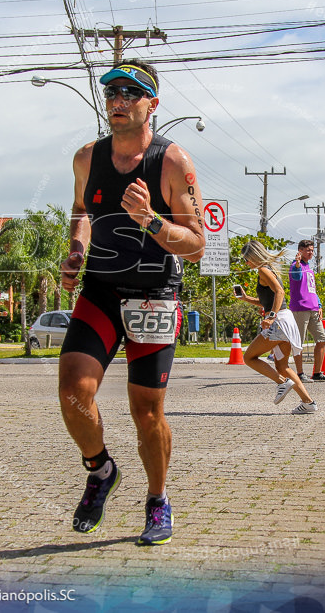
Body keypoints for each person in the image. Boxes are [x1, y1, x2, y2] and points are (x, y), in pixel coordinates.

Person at [57, 59, 206, 546]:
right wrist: (76, 250)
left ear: (152, 104)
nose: (117, 101)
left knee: (146, 410)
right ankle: (100, 471)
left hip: (154, 294)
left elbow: (197, 243)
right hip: (100, 288)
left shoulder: (172, 163)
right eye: (111, 93)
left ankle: (158, 500)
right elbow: (81, 210)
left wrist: (149, 219)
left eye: (130, 93)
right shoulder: (86, 158)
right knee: (73, 394)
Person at [237, 240, 317, 414]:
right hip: (285, 321)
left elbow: (280, 292)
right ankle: (308, 402)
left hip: (278, 322)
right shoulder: (269, 269)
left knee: (249, 358)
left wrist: (271, 316)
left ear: (254, 256)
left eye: (247, 259)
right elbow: (268, 300)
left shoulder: (263, 270)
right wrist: (246, 299)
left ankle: (282, 382)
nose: (246, 263)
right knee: (283, 367)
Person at [288, 239, 325, 382]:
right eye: (308, 250)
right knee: (298, 343)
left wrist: (319, 305)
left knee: (322, 340)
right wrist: (296, 264)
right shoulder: (295, 266)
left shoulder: (309, 268)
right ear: (300, 251)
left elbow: (312, 289)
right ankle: (300, 374)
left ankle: (317, 373)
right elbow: (296, 277)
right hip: (300, 309)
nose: (311, 253)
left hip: (313, 309)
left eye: (312, 250)